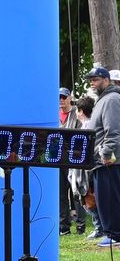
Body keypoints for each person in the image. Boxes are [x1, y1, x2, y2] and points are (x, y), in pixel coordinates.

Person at [85, 65, 120, 247]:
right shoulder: (103, 99)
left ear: (106, 80)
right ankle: (112, 233)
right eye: (91, 80)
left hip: (109, 161)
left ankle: (115, 235)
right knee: (104, 199)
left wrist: (106, 153)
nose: (92, 83)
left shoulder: (112, 99)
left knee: (110, 199)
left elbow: (113, 131)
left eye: (96, 79)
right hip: (101, 161)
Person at [58, 88, 86, 235]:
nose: (61, 100)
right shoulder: (53, 114)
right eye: (59, 97)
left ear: (69, 98)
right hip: (58, 160)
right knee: (61, 194)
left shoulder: (77, 113)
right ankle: (64, 227)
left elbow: (81, 135)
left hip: (74, 160)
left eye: (63, 97)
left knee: (76, 192)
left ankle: (81, 226)